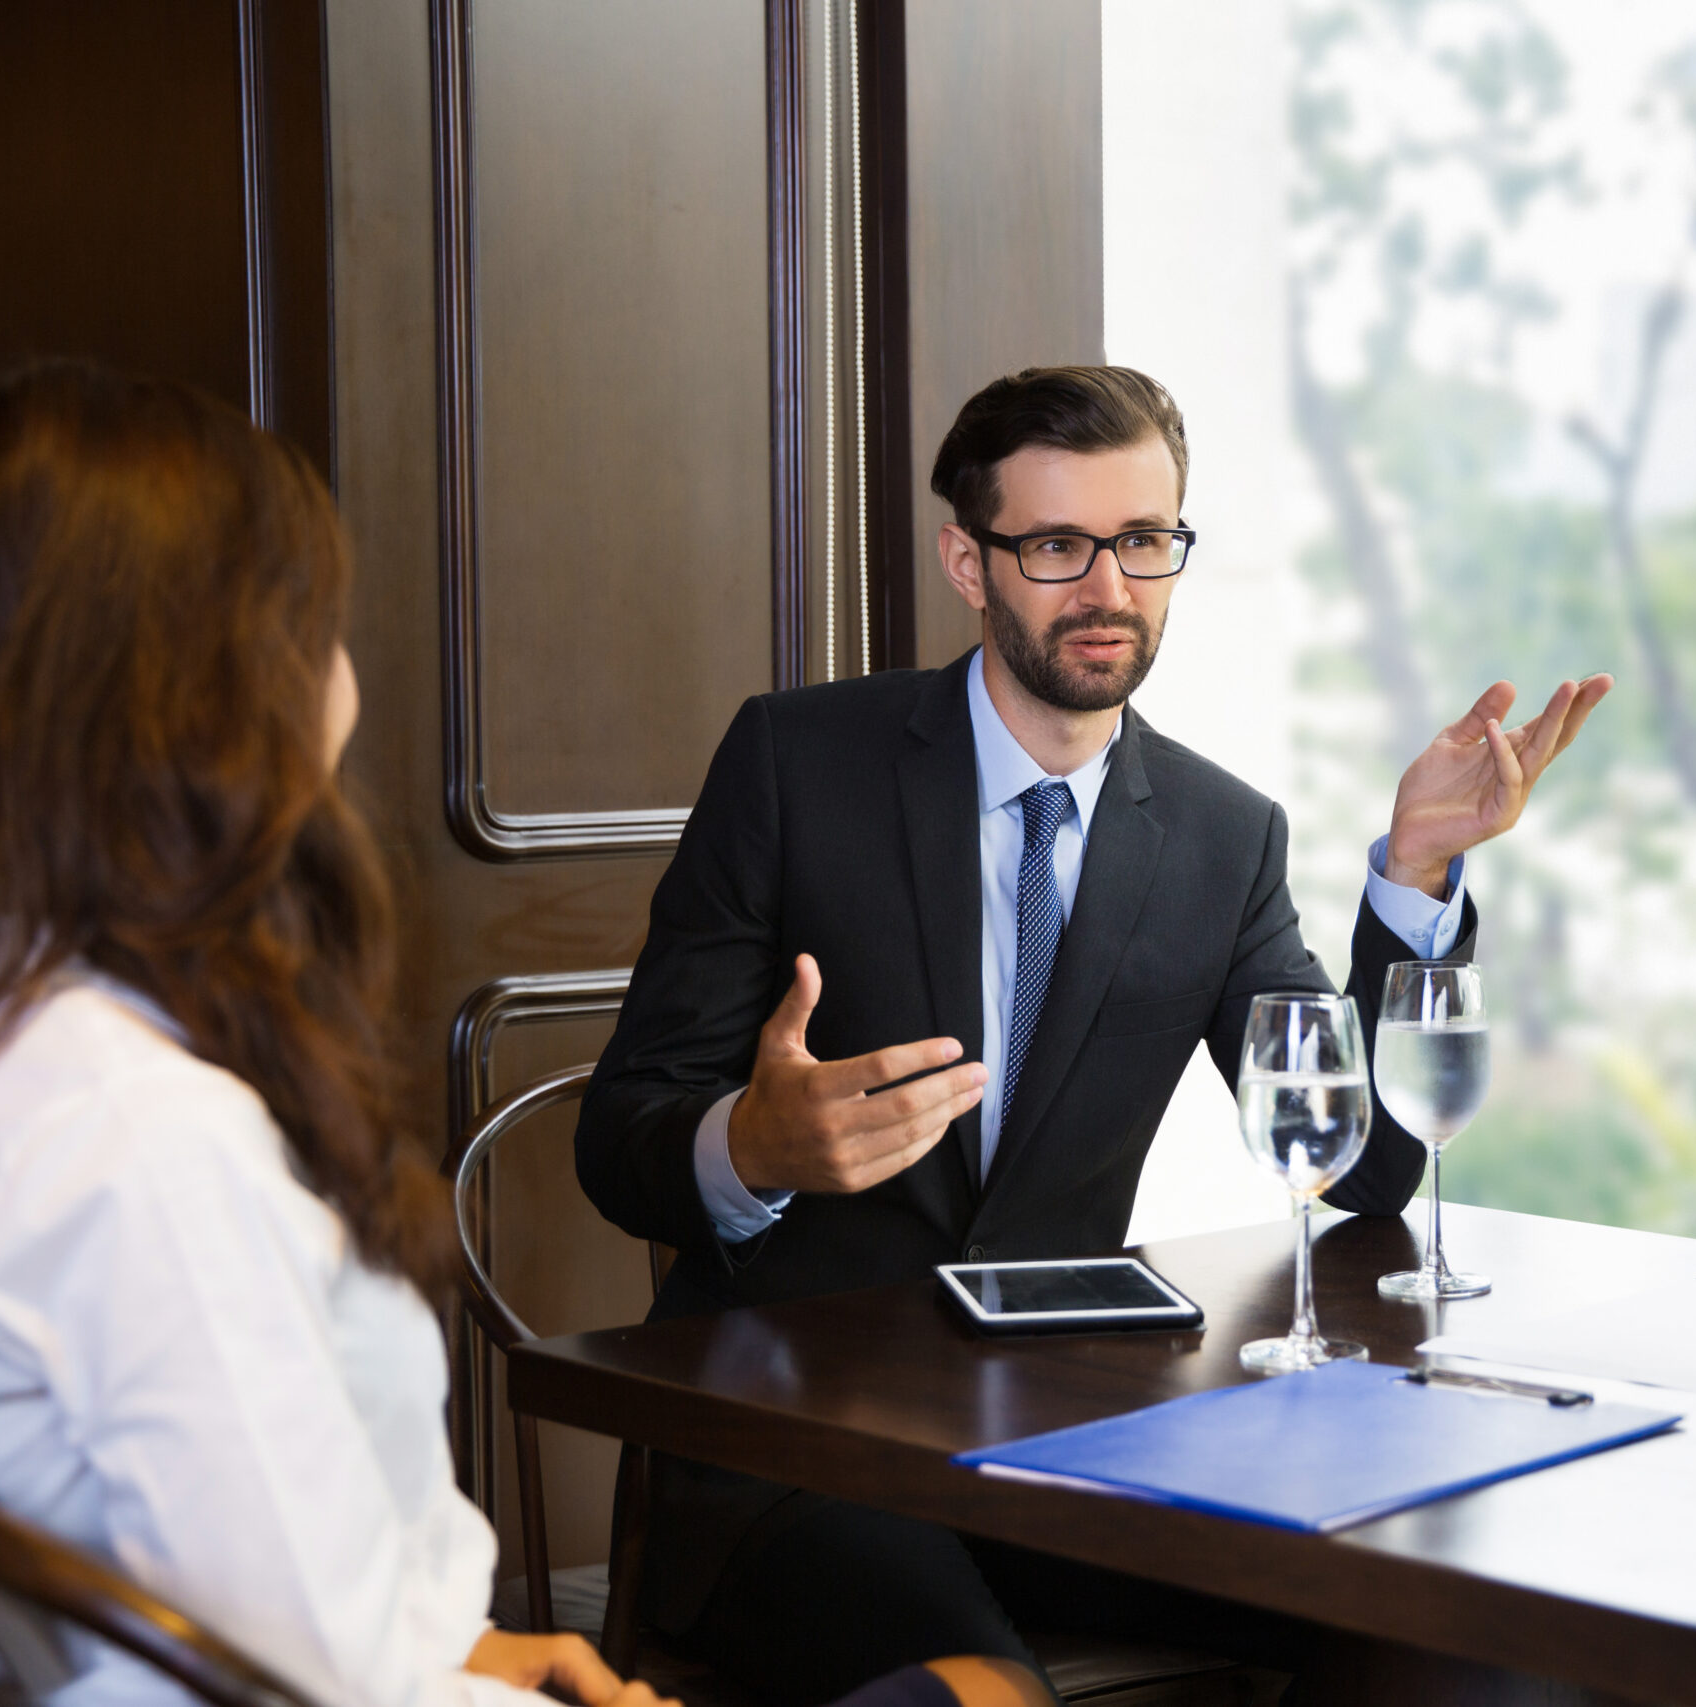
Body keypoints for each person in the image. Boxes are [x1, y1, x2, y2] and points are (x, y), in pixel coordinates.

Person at [0, 363, 1046, 1707]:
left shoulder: (7, 1047)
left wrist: (454, 1650)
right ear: (208, 691)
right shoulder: (138, 1139)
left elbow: (229, 1593)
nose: (344, 686)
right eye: (317, 629)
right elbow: (304, 1679)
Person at [574, 365, 1612, 1702]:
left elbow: (1361, 1171)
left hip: (1071, 1454)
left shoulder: (1223, 835)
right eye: (1059, 546)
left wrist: (1411, 882)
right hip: (796, 1459)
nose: (1109, 588)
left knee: (1489, 1637)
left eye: (1143, 542)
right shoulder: (794, 763)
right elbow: (622, 1140)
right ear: (970, 559)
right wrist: (752, 1149)